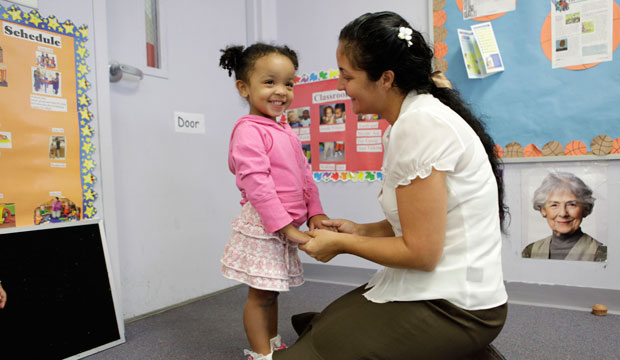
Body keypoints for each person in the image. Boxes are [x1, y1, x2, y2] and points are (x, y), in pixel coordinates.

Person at [274, 11, 509, 359]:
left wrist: (343, 243)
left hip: (458, 305)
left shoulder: (420, 126)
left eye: (347, 76)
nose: (340, 86)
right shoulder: (412, 120)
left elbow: (421, 252)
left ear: (385, 78)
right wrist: (359, 230)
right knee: (319, 327)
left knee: (311, 351)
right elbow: (422, 220)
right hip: (441, 287)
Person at [218, 43, 333, 360]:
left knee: (272, 290)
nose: (280, 91)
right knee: (260, 296)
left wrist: (316, 213)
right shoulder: (248, 129)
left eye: (288, 83)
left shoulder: (285, 129)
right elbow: (258, 184)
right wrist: (285, 227)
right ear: (244, 87)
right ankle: (260, 355)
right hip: (266, 226)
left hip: (285, 225)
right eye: (269, 82)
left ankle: (272, 344)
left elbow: (305, 176)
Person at [522, 171, 606, 261]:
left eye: (571, 204)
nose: (563, 213)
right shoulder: (530, 252)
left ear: (585, 209)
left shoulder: (601, 254)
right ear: (543, 210)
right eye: (554, 205)